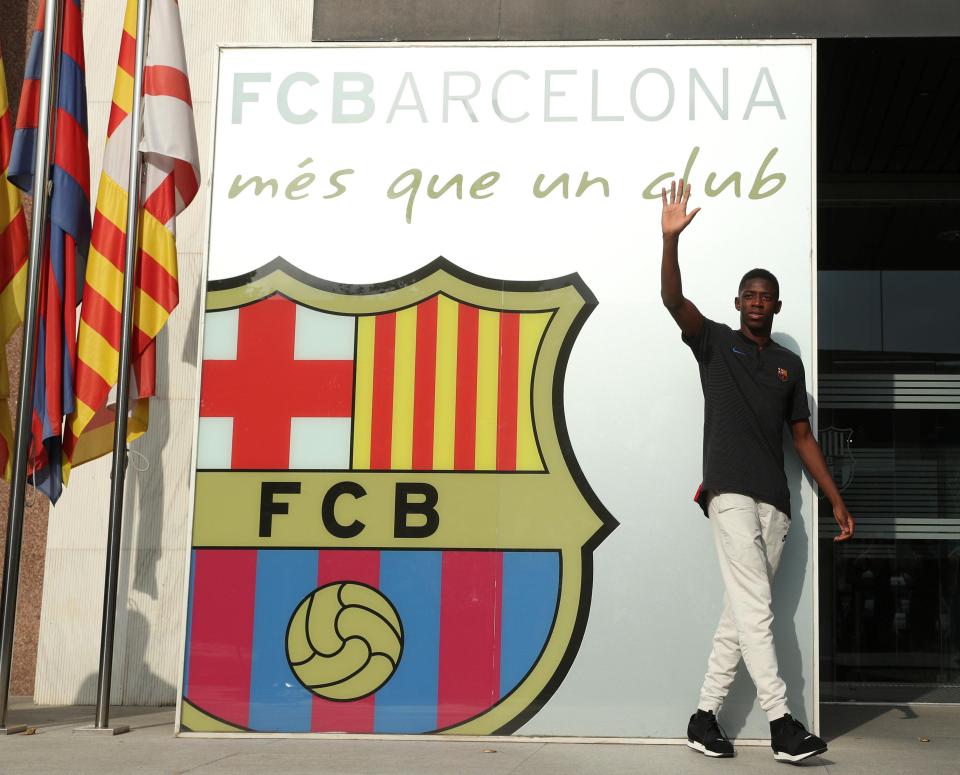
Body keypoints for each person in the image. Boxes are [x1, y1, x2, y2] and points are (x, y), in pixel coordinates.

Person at [659, 178, 855, 763]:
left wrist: (834, 498)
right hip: (729, 493)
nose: (756, 301)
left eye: (765, 295)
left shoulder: (788, 366)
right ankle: (781, 723)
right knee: (759, 611)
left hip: (775, 502)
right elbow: (673, 301)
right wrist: (669, 243)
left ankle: (702, 717)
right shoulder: (714, 344)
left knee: (740, 615)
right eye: (748, 293)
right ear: (738, 302)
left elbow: (803, 438)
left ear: (776, 304)